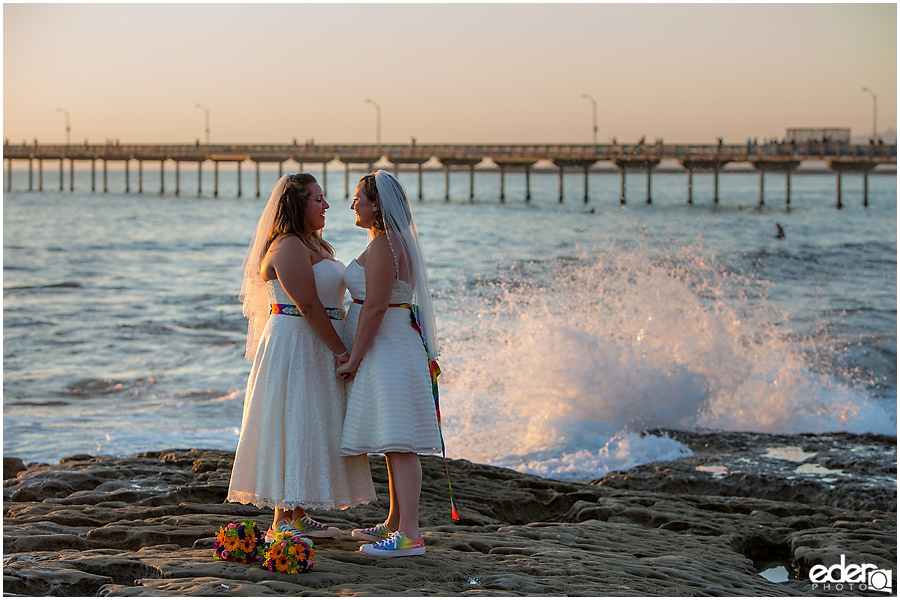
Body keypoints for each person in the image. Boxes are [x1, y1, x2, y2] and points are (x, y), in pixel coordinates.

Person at [227, 173, 376, 544]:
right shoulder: (289, 246)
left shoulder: (314, 243)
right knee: (293, 421)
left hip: (317, 343)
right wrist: (342, 351)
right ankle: (283, 519)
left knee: (311, 422)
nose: (326, 206)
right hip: (297, 344)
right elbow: (308, 306)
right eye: (318, 199)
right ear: (296, 205)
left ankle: (296, 513)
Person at [337, 170, 443, 557]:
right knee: (393, 438)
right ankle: (395, 522)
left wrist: (355, 358)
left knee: (400, 443)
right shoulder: (392, 241)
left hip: (387, 347)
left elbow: (377, 306)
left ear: (376, 204)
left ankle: (410, 536)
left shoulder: (385, 243)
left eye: (357, 198)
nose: (352, 205)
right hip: (395, 342)